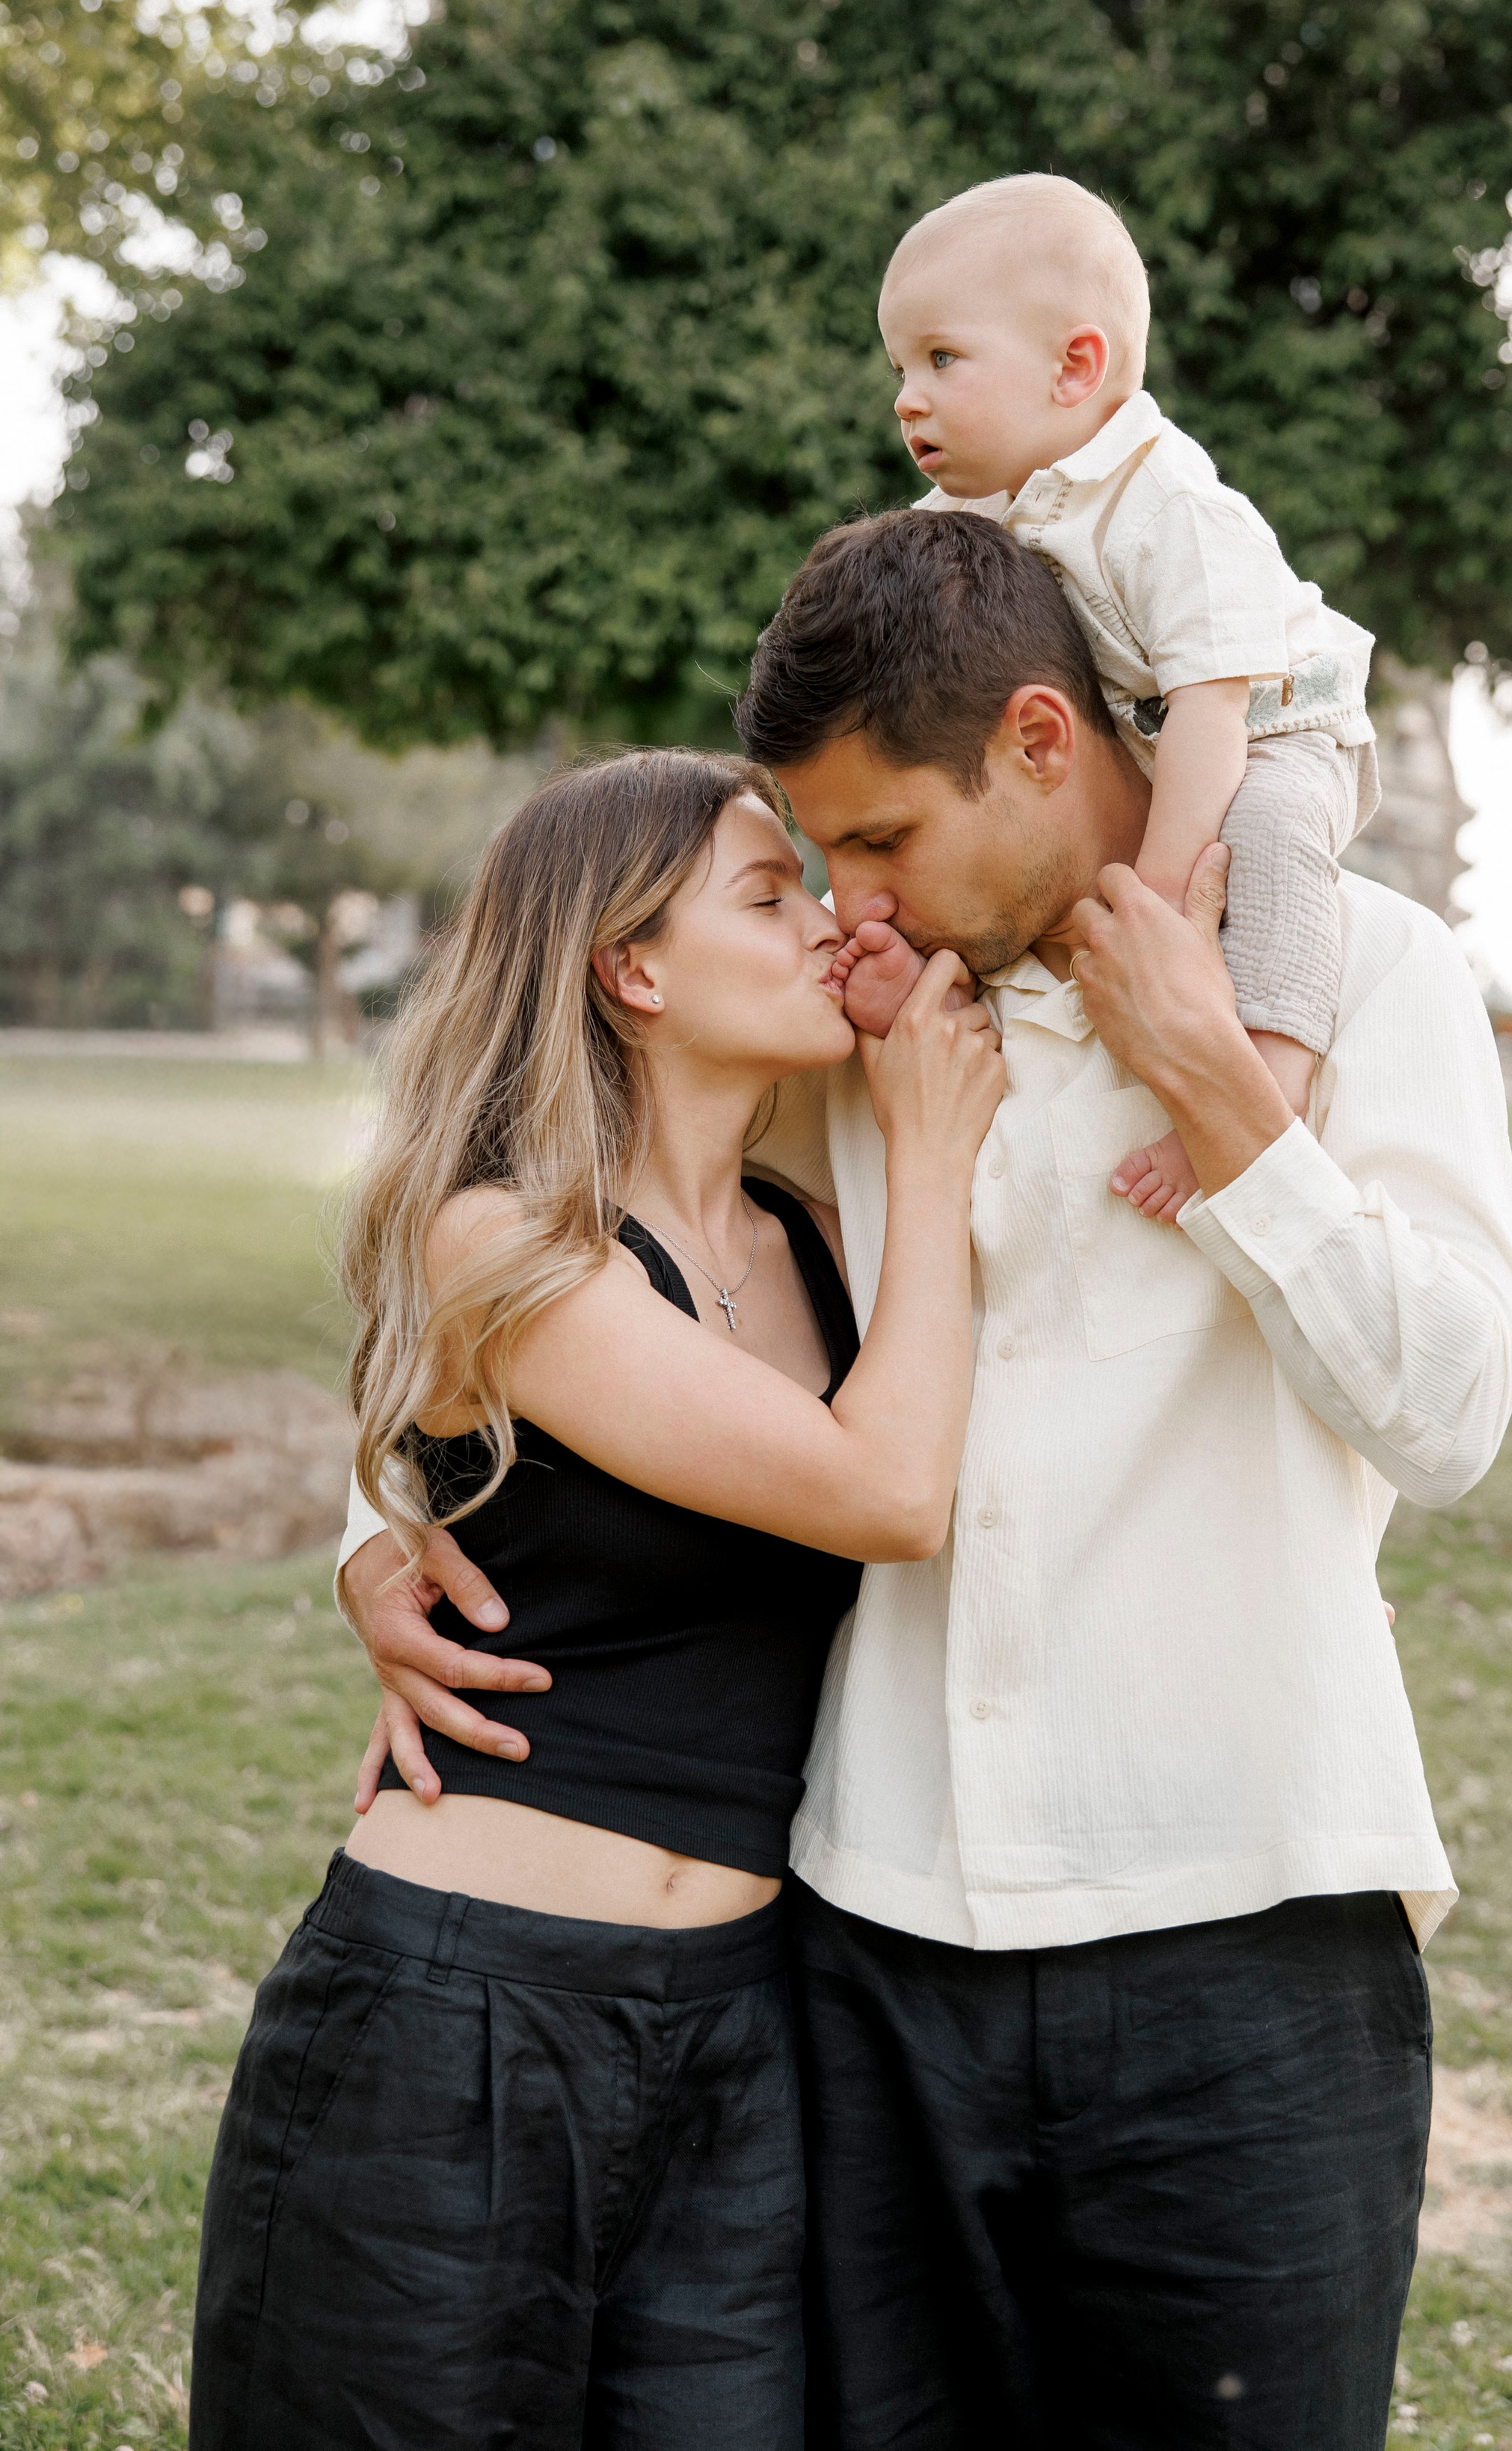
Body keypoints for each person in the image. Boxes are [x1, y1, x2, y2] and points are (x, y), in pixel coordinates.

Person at [342, 511, 1512, 2451]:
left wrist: (1230, 1105)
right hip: (868, 1955)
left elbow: (1457, 1415)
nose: (849, 902)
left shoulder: (1372, 981)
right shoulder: (869, 1036)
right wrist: (375, 1538)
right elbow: (555, 1242)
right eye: (819, 861)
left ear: (1043, 743)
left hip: (1249, 1942)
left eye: (882, 839)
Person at [190, 748, 1004, 2451]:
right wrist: (933, 1156)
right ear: (632, 968)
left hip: (740, 2024)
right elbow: (885, 1494)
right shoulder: (507, 1245)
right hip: (456, 2022)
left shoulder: (808, 1241)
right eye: (766, 895)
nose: (822, 921)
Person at [834, 170, 1378, 1226]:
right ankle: (940, 1003)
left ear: (1075, 365)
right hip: (1153, 731)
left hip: (1277, 724)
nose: (908, 395)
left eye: (942, 359)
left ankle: (1267, 1086)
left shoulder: (1171, 504)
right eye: (900, 365)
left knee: (1266, 841)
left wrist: (1161, 900)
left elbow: (1217, 715)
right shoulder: (974, 504)